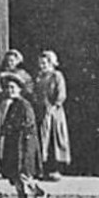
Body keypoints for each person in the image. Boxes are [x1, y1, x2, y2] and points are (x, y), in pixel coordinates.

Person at [0, 72, 44, 198]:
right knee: (16, 175)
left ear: (20, 89)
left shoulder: (24, 105)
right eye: (8, 88)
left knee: (23, 174)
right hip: (13, 144)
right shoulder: (11, 105)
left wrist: (11, 129)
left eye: (13, 87)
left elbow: (27, 127)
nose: (10, 90)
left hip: (23, 145)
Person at [33, 51, 71, 180]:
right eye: (40, 63)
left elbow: (61, 94)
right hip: (40, 111)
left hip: (53, 112)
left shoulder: (56, 76)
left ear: (51, 63)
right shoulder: (39, 77)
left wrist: (54, 106)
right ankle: (41, 169)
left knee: (54, 139)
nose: (42, 66)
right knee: (41, 139)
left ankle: (55, 170)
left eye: (44, 63)